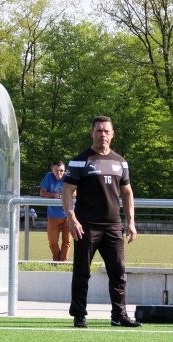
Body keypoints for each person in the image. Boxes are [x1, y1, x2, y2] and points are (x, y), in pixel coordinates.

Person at [62, 116, 141, 328]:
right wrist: (72, 219)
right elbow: (67, 191)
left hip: (113, 225)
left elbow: (127, 193)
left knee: (118, 272)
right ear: (92, 133)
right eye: (99, 131)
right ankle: (79, 315)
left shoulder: (120, 161)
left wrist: (131, 222)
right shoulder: (80, 161)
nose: (102, 135)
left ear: (112, 134)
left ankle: (119, 315)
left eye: (106, 131)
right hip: (86, 225)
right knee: (82, 272)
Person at [40, 160, 72, 261]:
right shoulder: (49, 176)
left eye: (61, 170)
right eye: (56, 170)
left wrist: (65, 195)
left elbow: (75, 192)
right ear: (52, 170)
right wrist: (54, 195)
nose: (59, 173)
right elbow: (42, 192)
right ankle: (56, 260)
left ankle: (63, 261)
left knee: (67, 241)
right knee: (52, 241)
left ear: (64, 170)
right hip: (53, 214)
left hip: (68, 215)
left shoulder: (69, 176)